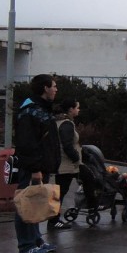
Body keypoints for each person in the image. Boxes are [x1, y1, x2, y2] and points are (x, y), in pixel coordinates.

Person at [12, 74, 61, 253]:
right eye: (54, 86)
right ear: (45, 88)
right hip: (33, 167)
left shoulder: (41, 109)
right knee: (27, 203)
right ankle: (26, 245)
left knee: (36, 203)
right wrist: (35, 169)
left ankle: (36, 240)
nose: (56, 89)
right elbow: (27, 143)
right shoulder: (30, 111)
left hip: (42, 166)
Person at [49, 98, 82, 230]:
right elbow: (67, 144)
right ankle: (54, 220)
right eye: (77, 107)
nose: (78, 110)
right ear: (70, 109)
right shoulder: (67, 124)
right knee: (61, 192)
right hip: (65, 163)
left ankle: (54, 218)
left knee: (59, 191)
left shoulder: (57, 121)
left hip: (60, 161)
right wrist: (75, 158)